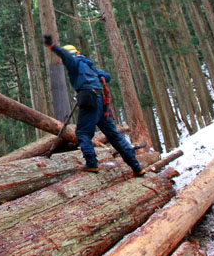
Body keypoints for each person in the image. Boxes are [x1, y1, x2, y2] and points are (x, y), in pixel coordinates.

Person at [44, 35, 145, 176]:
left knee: (83, 133)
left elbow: (66, 56)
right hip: (102, 101)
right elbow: (106, 76)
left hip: (88, 99)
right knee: (114, 135)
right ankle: (137, 167)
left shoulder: (73, 62)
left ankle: (91, 163)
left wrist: (52, 46)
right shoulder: (89, 64)